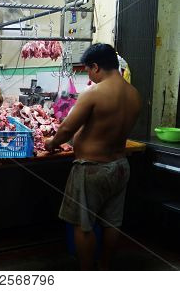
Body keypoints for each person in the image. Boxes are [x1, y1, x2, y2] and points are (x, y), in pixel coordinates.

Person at [45, 43, 141, 270]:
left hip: (92, 169)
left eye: (87, 70)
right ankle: (105, 267)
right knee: (111, 223)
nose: (88, 75)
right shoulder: (134, 94)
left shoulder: (95, 93)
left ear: (96, 67)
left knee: (83, 225)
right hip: (119, 166)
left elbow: (67, 128)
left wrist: (52, 143)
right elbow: (104, 127)